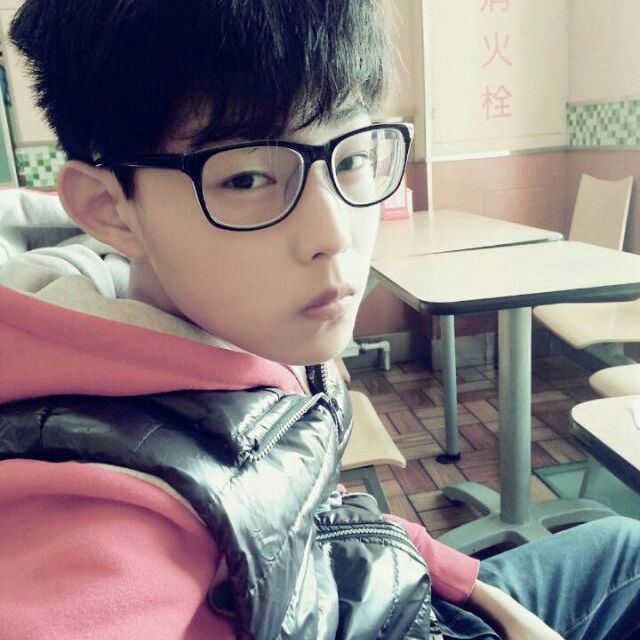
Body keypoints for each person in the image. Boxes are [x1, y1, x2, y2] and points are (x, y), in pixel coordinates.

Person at [0, 1, 638, 638]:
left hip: (381, 596)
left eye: (352, 158)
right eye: (247, 178)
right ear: (109, 208)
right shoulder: (97, 523)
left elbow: (313, 518)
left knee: (623, 545)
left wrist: (478, 590)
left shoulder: (220, 338)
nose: (333, 234)